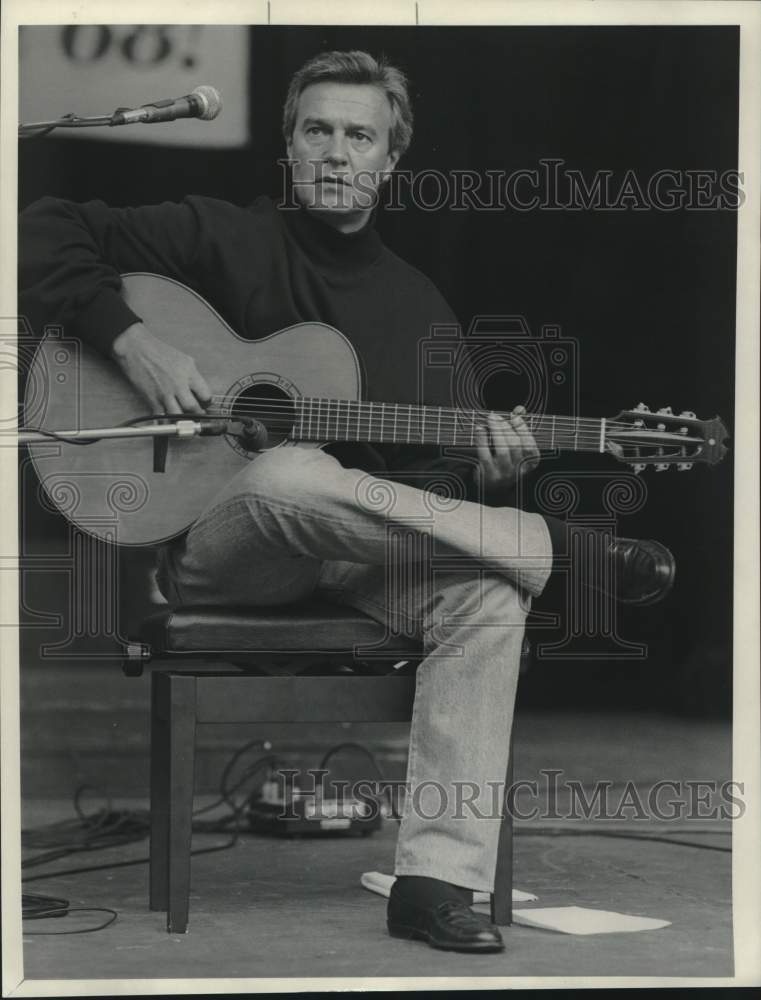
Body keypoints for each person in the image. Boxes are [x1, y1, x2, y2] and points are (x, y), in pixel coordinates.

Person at [19, 50, 674, 953]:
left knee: (486, 592)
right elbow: (37, 225)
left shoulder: (417, 306)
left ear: (389, 159)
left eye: (357, 135)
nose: (334, 151)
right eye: (316, 130)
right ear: (287, 147)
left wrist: (485, 479)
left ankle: (434, 881)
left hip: (347, 553)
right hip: (222, 547)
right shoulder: (221, 236)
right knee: (286, 471)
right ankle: (553, 545)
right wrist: (131, 342)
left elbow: (417, 497)